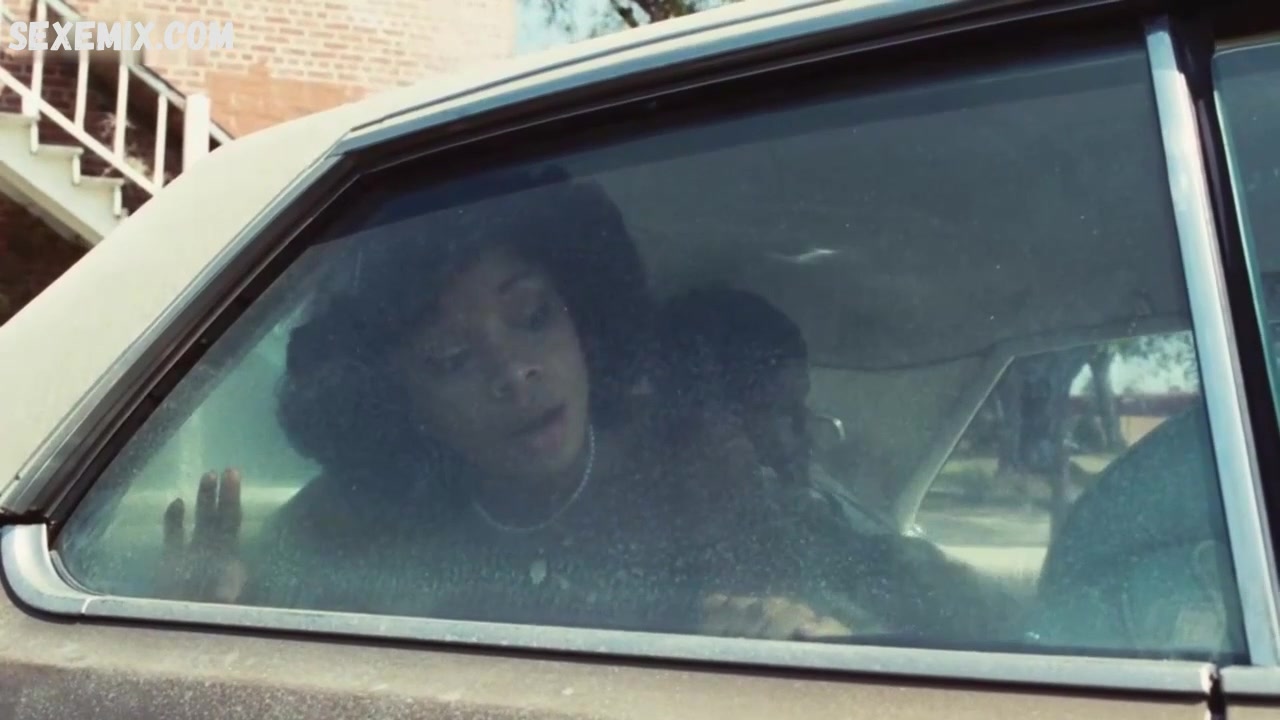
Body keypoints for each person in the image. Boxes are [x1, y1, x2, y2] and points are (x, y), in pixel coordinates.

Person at [156, 167, 853, 640]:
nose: (513, 372)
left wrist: (789, 633)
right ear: (401, 402)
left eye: (532, 316)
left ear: (584, 319)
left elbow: (818, 642)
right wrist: (208, 614)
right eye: (451, 358)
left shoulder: (698, 473)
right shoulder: (353, 519)